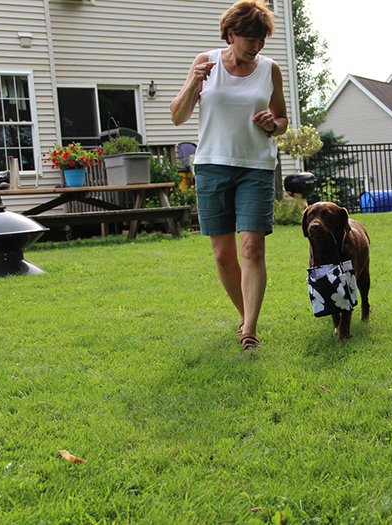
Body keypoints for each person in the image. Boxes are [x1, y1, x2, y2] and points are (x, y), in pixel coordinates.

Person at [170, 0, 288, 351]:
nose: (257, 46)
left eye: (262, 39)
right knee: (222, 254)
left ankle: (250, 330)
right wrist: (193, 83)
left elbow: (281, 120)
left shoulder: (270, 69)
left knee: (251, 247)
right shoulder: (205, 63)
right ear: (231, 34)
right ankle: (244, 314)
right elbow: (178, 117)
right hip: (211, 166)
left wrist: (272, 124)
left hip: (255, 165)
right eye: (251, 39)